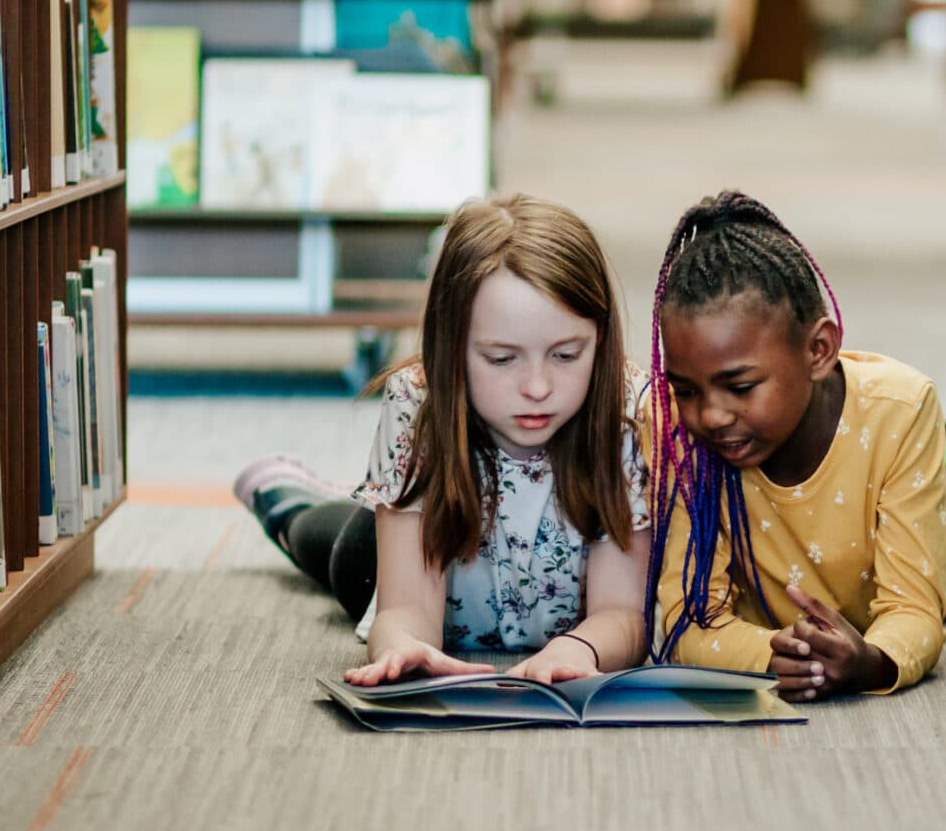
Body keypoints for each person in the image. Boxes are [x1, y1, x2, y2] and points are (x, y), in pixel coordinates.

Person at [234, 194, 652, 685]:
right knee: (320, 542)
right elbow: (406, 608)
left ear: (600, 338)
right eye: (501, 359)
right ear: (450, 346)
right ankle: (282, 494)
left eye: (565, 355)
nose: (537, 388)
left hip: (547, 613)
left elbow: (624, 613)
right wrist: (402, 646)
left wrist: (580, 649)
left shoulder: (628, 408)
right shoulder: (416, 401)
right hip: (384, 559)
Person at [643, 190, 946, 703]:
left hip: (876, 550)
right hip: (787, 605)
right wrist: (777, 655)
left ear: (818, 350)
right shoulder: (676, 428)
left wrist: (870, 664)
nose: (711, 415)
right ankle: (931, 489)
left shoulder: (904, 404)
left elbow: (913, 612)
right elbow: (687, 620)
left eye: (741, 387)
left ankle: (936, 496)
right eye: (686, 390)